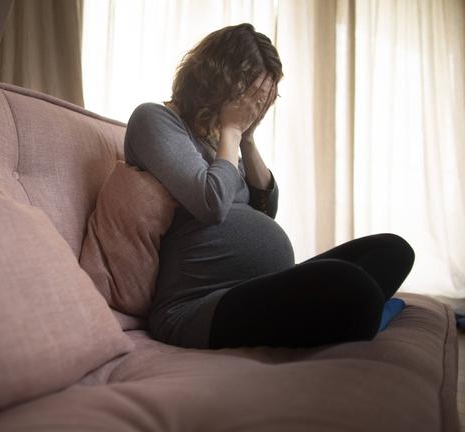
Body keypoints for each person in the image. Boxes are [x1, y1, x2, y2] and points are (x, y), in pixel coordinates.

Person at [123, 23, 415, 349]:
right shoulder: (156, 120)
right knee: (355, 289)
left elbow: (264, 209)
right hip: (196, 307)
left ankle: (360, 311)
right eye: (252, 95)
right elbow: (212, 203)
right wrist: (233, 130)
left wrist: (246, 138)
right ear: (219, 77)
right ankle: (364, 310)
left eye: (262, 100)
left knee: (393, 250)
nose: (256, 107)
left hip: (258, 285)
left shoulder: (222, 139)